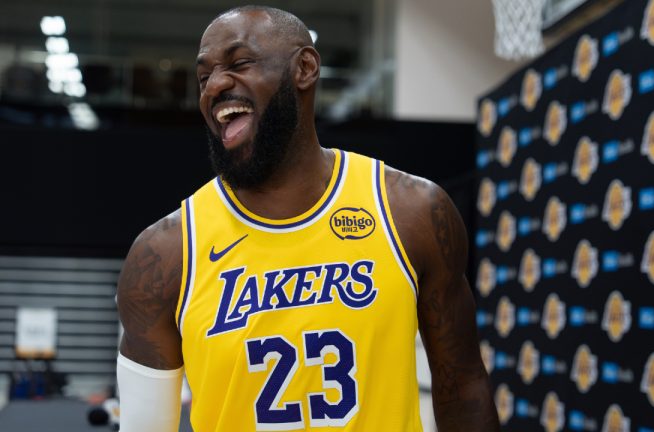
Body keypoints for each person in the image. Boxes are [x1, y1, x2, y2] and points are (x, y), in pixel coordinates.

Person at [116, 5, 498, 431]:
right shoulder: (164, 254)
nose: (216, 86)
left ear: (305, 68)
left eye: (239, 63)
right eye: (205, 77)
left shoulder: (411, 212)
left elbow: (464, 390)